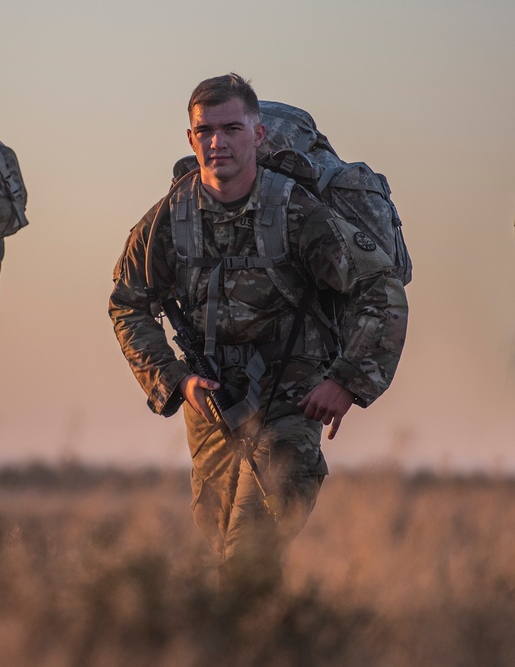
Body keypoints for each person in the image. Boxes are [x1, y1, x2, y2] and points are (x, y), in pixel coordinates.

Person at [109, 74, 407, 593]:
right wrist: (177, 381)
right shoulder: (168, 218)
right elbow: (127, 303)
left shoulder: (298, 213)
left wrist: (346, 381)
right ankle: (266, 642)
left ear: (258, 135)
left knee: (250, 551)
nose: (217, 143)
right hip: (214, 405)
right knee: (222, 549)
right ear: (190, 138)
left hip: (292, 401)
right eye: (205, 131)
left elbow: (379, 290)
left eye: (231, 128)